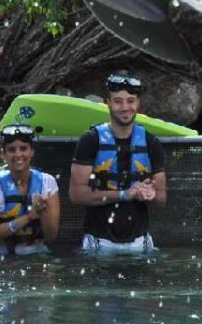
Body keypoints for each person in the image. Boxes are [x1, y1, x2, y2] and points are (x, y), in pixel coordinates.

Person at [69, 71, 167, 254]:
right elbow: (77, 195)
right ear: (107, 103)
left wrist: (151, 194)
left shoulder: (151, 142)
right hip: (99, 242)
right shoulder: (90, 140)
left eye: (130, 101)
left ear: (138, 103)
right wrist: (124, 195)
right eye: (118, 101)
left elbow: (161, 199)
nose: (125, 107)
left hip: (141, 243)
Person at [0, 123, 60, 257]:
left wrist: (43, 211)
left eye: (23, 148)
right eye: (11, 149)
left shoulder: (47, 182)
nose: (18, 154)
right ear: (3, 154)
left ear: (32, 152)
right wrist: (29, 217)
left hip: (35, 253)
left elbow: (51, 236)